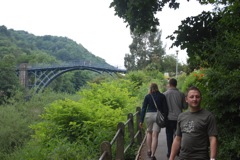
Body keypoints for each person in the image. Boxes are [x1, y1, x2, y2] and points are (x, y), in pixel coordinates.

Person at [169, 86, 218, 160]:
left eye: (197, 97)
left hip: (201, 157)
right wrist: (171, 158)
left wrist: (212, 158)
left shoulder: (208, 116)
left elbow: (213, 138)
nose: (195, 99)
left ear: (201, 98)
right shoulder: (181, 116)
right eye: (191, 97)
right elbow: (178, 139)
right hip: (183, 157)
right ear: (186, 99)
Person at [139, 83, 168, 160]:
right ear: (157, 87)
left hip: (149, 115)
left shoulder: (147, 96)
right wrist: (165, 118)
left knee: (149, 132)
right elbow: (165, 109)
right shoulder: (162, 96)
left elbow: (143, 108)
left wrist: (141, 120)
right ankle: (152, 155)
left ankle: (148, 150)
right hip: (158, 116)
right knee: (155, 135)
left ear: (150, 88)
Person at [163, 78, 187, 158]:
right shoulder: (181, 94)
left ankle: (169, 152)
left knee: (169, 136)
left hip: (168, 118)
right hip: (179, 118)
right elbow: (185, 106)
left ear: (169, 84)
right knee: (178, 136)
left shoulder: (165, 94)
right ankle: (178, 151)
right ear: (176, 84)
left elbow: (163, 107)